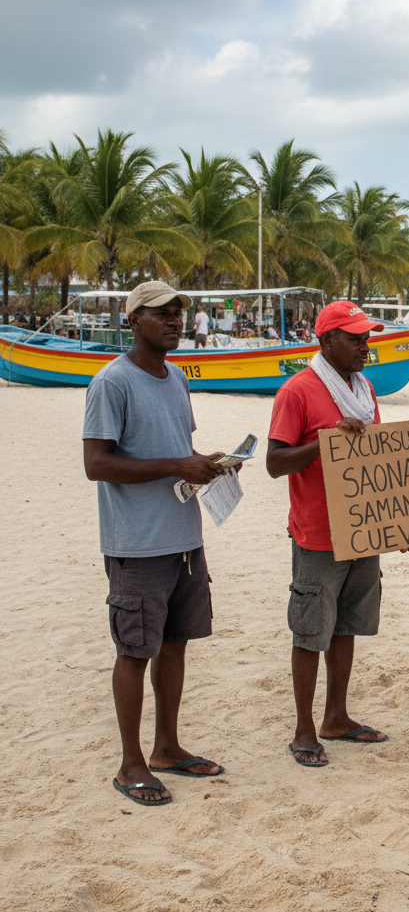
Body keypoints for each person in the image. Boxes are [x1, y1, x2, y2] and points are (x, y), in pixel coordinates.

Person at [82, 281, 231, 806]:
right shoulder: (112, 382)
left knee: (175, 644)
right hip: (138, 543)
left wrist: (203, 464)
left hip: (183, 538)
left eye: (177, 314)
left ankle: (166, 747)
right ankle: (131, 764)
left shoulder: (176, 379)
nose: (173, 321)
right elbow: (96, 464)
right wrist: (177, 464)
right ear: (133, 321)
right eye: (160, 314)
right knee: (134, 651)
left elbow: (175, 448)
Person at [266, 301, 394, 766]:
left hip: (361, 530)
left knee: (346, 627)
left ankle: (336, 716)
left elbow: (377, 461)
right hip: (318, 533)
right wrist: (322, 442)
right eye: (356, 337)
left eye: (367, 336)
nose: (366, 344)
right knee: (310, 631)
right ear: (327, 341)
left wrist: (392, 521)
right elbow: (274, 464)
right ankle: (304, 729)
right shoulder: (298, 391)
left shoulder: (364, 390)